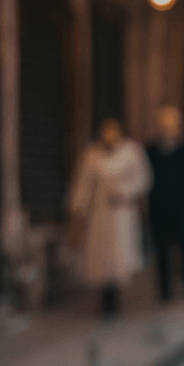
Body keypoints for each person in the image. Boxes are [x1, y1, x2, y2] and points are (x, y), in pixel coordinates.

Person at [68, 118, 152, 318]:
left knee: (119, 255)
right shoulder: (92, 154)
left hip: (122, 213)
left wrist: (125, 193)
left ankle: (115, 295)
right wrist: (77, 209)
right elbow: (84, 183)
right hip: (100, 214)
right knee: (100, 255)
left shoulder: (131, 151)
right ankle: (105, 296)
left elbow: (142, 179)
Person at [145, 107, 184, 303]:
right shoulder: (151, 151)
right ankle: (164, 289)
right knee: (162, 249)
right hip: (159, 208)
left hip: (183, 208)